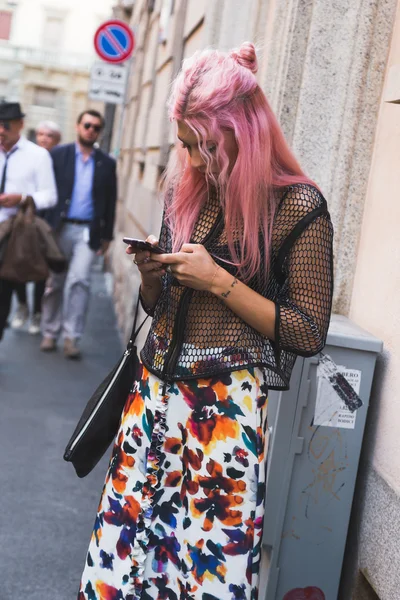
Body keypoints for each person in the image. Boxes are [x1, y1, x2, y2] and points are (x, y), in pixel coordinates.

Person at [78, 44, 334, 600]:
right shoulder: (186, 192)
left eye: (206, 146)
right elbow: (160, 306)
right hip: (150, 404)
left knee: (203, 571)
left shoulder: (297, 207)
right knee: (122, 563)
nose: (192, 160)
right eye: (185, 144)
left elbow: (308, 331)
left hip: (222, 415)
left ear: (246, 132)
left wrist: (220, 281)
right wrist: (152, 275)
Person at [40, 110, 117, 359]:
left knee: (80, 281)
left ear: (100, 132)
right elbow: (46, 191)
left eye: (96, 127)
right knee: (55, 282)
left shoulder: (106, 163)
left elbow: (110, 201)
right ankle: (50, 332)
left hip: (88, 231)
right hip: (59, 229)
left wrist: (107, 236)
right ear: (78, 126)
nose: (91, 130)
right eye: (87, 125)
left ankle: (72, 337)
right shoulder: (58, 155)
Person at [0, 102, 57, 344]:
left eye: (5, 125)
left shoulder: (38, 155)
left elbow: (50, 196)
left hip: (12, 235)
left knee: (3, 294)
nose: (1, 131)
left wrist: (22, 198)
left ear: (20, 125)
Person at [11, 119, 62, 334]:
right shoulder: (27, 157)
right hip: (22, 223)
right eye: (40, 134)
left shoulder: (59, 161)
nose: (43, 139)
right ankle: (22, 305)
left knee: (42, 270)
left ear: (57, 140)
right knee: (16, 264)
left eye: (49, 135)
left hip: (46, 224)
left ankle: (37, 314)